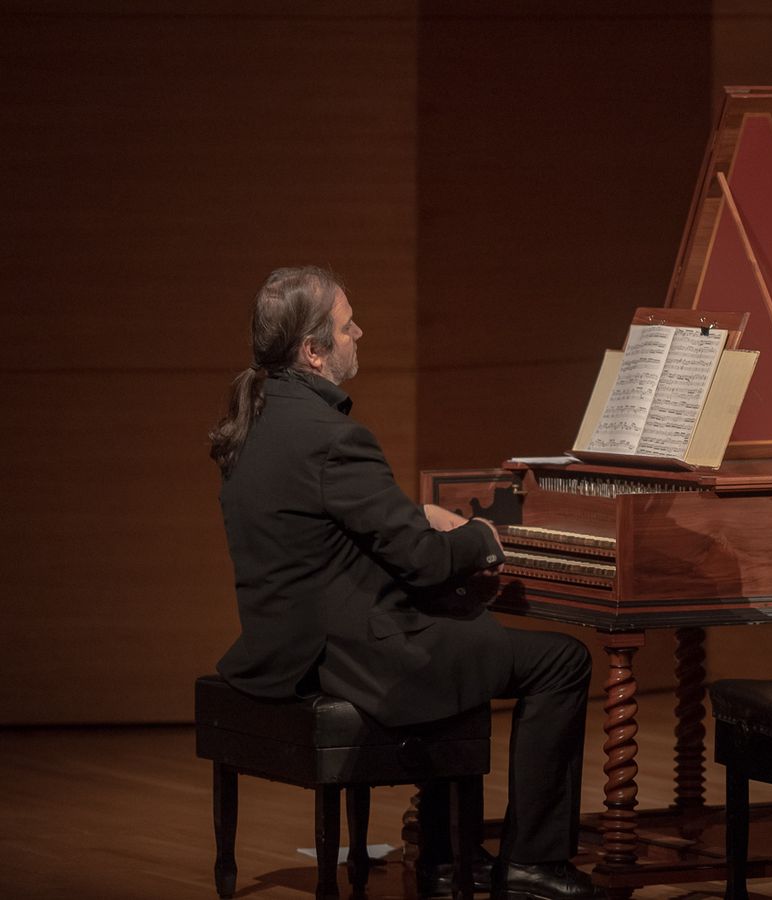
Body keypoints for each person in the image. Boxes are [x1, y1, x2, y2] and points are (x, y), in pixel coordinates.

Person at [208, 266, 602, 900]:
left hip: (281, 650)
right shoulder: (335, 438)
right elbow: (420, 560)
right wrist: (481, 537)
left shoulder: (256, 421)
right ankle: (534, 862)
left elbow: (322, 525)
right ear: (312, 350)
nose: (359, 332)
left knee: (466, 633)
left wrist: (418, 516)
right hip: (356, 658)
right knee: (561, 661)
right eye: (346, 324)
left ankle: (449, 856)